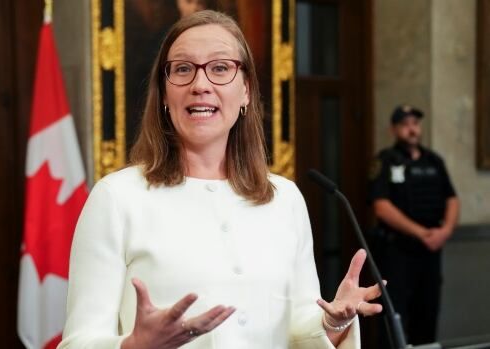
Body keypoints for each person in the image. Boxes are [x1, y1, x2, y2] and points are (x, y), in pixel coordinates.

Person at [58, 10, 383, 349]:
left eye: (220, 68)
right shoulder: (117, 197)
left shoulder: (284, 198)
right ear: (164, 95)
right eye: (183, 69)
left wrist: (332, 322)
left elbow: (299, 330)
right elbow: (78, 342)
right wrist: (134, 346)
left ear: (245, 91)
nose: (200, 85)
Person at [368, 105, 460, 347]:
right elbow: (381, 206)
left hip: (429, 253)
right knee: (393, 320)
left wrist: (446, 231)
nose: (412, 129)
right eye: (405, 124)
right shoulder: (385, 161)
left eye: (415, 124)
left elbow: (452, 199)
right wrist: (421, 233)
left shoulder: (434, 161)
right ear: (394, 129)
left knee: (427, 318)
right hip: (397, 253)